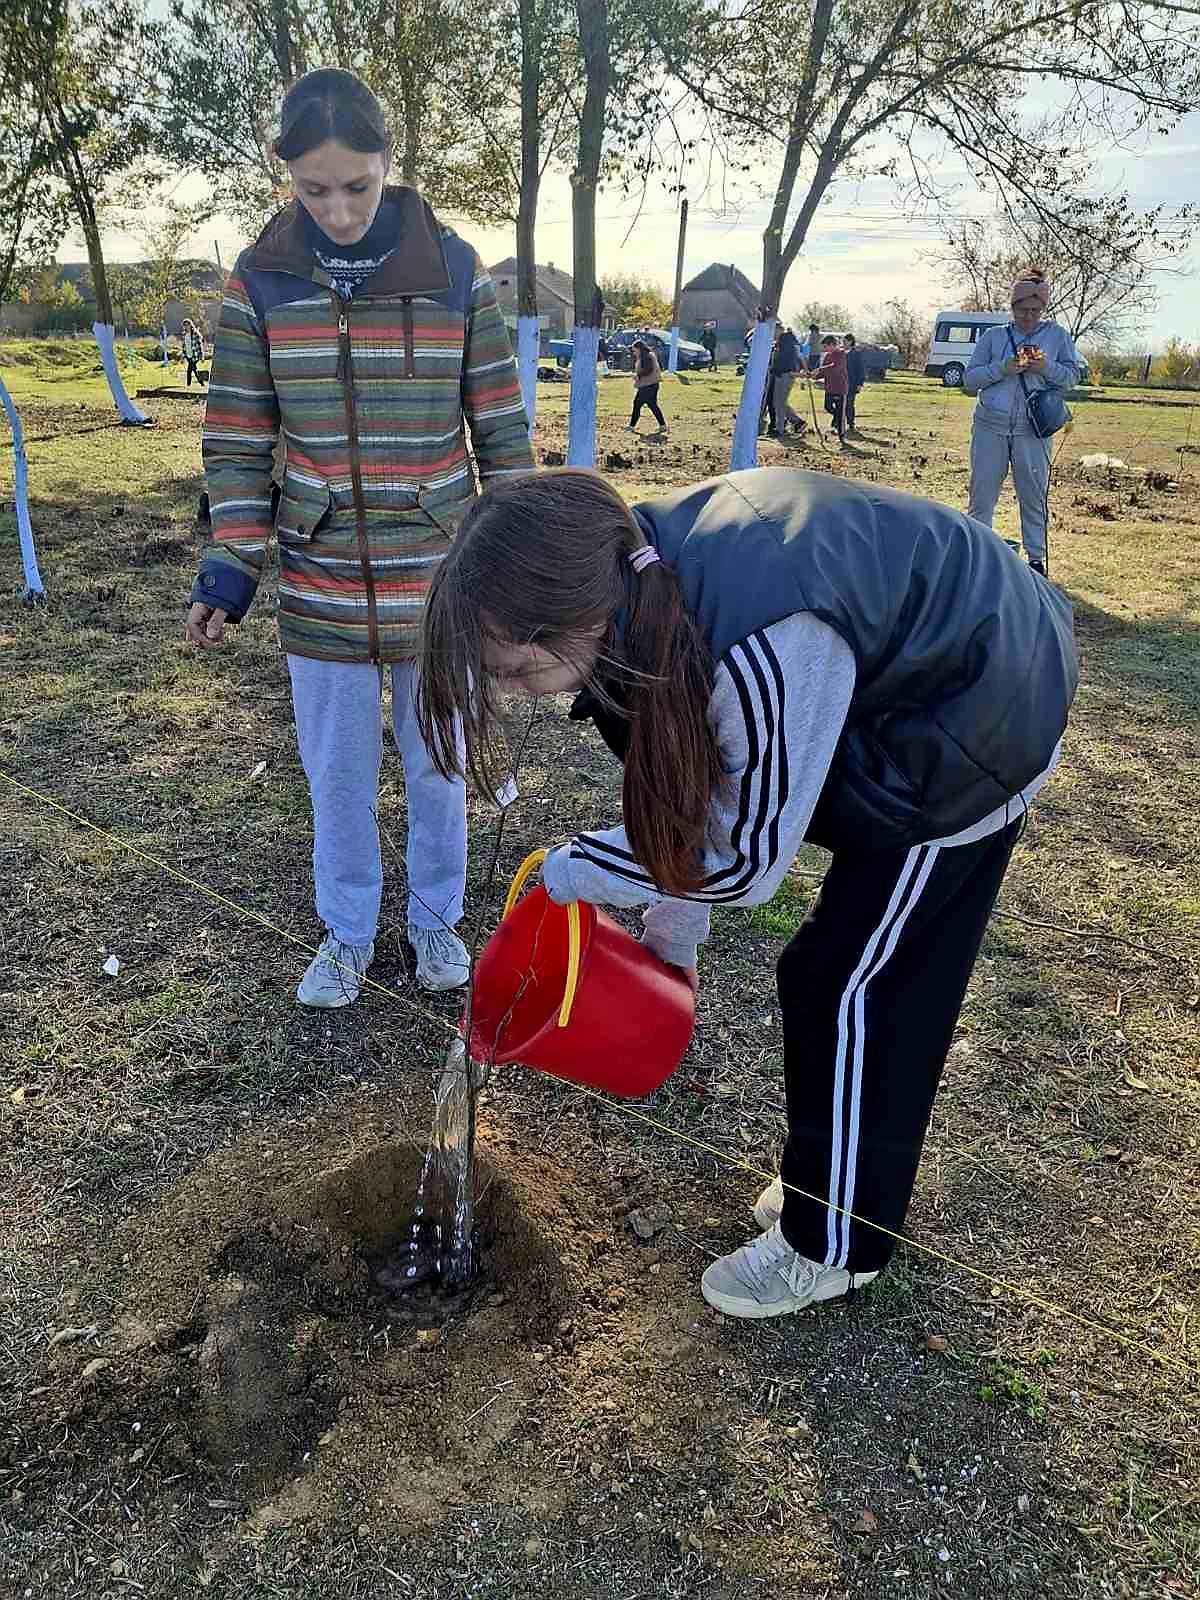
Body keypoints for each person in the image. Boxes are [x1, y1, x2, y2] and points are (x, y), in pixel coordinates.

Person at [417, 466, 1077, 1320]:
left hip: (976, 717)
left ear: (572, 616)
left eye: (512, 671)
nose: (510, 692)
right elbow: (688, 787)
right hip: (903, 685)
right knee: (835, 975)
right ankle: (834, 1181)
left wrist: (575, 870)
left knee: (853, 987)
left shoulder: (762, 639)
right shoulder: (637, 590)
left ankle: (834, 1245)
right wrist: (670, 932)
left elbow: (747, 860)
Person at [184, 67, 533, 1007]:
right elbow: (239, 435)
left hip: (441, 574)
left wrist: (522, 562)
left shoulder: (458, 272)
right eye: (312, 190)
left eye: (356, 186)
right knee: (336, 776)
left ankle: (435, 922)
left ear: (389, 162)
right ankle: (345, 933)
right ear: (285, 178)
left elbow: (500, 428)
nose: (336, 209)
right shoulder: (259, 282)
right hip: (319, 573)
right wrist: (229, 568)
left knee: (438, 763)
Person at [963, 270, 1081, 577]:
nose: (1029, 317)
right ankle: (977, 558)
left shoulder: (1057, 337)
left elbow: (1071, 378)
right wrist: (1003, 368)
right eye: (1022, 310)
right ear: (1012, 307)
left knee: (1034, 497)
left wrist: (1045, 367)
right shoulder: (994, 337)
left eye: (1035, 311)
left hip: (1033, 429)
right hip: (990, 426)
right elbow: (968, 380)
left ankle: (1036, 562)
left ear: (1043, 309)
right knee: (981, 495)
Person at [810, 333, 848, 443]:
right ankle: (838, 417)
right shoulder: (827, 356)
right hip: (829, 388)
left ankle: (842, 436)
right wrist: (815, 376)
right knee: (828, 407)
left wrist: (820, 369)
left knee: (840, 412)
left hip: (840, 388)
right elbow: (824, 372)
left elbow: (835, 368)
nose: (824, 349)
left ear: (832, 344)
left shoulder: (841, 354)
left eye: (825, 346)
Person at [770, 324, 804, 439]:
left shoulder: (786, 340)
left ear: (779, 330)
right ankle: (796, 422)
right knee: (778, 402)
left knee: (779, 403)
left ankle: (780, 429)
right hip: (781, 374)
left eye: (775, 330)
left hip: (786, 375)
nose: (773, 333)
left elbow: (791, 359)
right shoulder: (782, 341)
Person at [628, 338, 667, 434]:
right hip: (653, 384)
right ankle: (663, 425)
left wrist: (638, 376)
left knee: (637, 404)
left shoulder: (646, 357)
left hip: (647, 385)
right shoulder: (649, 355)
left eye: (634, 350)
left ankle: (631, 426)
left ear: (639, 349)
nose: (634, 353)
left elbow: (648, 370)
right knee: (652, 405)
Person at [843, 333, 866, 435]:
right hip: (841, 383)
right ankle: (839, 423)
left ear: (850, 341)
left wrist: (860, 384)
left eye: (845, 341)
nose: (843, 343)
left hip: (852, 384)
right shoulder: (842, 353)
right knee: (840, 404)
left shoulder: (856, 354)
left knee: (849, 404)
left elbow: (860, 369)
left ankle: (851, 423)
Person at [180, 318, 207, 387]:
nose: (186, 326)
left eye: (187, 324)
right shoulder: (184, 334)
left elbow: (200, 345)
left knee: (190, 370)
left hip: (195, 355)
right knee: (194, 370)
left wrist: (202, 356)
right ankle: (201, 383)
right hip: (188, 355)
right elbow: (183, 347)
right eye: (185, 325)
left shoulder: (195, 334)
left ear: (190, 325)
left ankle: (189, 384)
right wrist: (182, 357)